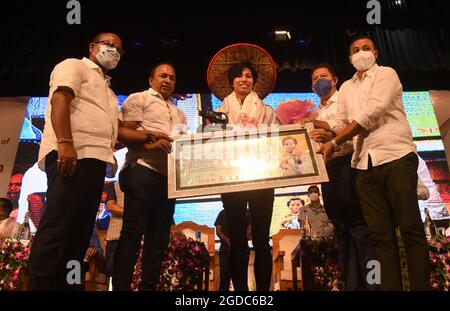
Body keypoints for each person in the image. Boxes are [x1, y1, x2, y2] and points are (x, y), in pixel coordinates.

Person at [318, 35, 431, 290]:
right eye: (355, 50)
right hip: (363, 165)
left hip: (395, 156)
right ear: (349, 58)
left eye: (365, 48)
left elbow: (371, 114)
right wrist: (314, 128)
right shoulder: (346, 87)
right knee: (380, 236)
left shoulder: (386, 74)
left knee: (410, 227)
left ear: (376, 53)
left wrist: (334, 142)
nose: (361, 53)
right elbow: (340, 123)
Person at [27, 32, 125, 290]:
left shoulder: (109, 91)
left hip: (95, 161)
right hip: (71, 155)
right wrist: (65, 143)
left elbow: (115, 128)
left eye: (119, 49)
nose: (114, 50)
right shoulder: (74, 65)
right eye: (109, 44)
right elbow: (60, 98)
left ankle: (68, 286)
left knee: (80, 234)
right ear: (93, 46)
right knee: (57, 227)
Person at [209, 44, 278, 291]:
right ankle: (240, 292)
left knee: (261, 239)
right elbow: (211, 147)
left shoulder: (268, 112)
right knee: (237, 241)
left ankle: (263, 292)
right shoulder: (218, 113)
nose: (244, 79)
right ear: (232, 81)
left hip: (262, 178)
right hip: (232, 179)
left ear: (254, 82)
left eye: (249, 76)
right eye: (239, 75)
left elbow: (277, 143)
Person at [113, 62, 187, 291]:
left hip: (169, 179)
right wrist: (150, 143)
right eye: (163, 76)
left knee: (158, 240)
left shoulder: (180, 112)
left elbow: (181, 147)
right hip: (142, 169)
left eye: (172, 78)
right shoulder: (139, 98)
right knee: (132, 233)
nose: (167, 80)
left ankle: (148, 287)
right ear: (151, 80)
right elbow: (122, 133)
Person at [304, 63, 377, 290]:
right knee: (341, 230)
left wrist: (328, 132)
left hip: (349, 165)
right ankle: (352, 284)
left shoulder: (345, 100)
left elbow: (353, 131)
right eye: (315, 79)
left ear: (335, 80)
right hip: (329, 172)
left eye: (323, 76)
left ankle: (374, 284)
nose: (319, 81)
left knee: (360, 228)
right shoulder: (315, 111)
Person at [214, 209, 251, 291]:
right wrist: (227, 240)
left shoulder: (247, 212)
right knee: (224, 282)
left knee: (242, 282)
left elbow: (250, 230)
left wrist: (238, 242)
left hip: (242, 250)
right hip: (225, 251)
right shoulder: (223, 213)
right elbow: (218, 230)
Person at [104, 182, 124, 283]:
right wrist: (132, 213)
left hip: (138, 237)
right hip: (115, 238)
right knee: (113, 275)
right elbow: (110, 206)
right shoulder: (115, 186)